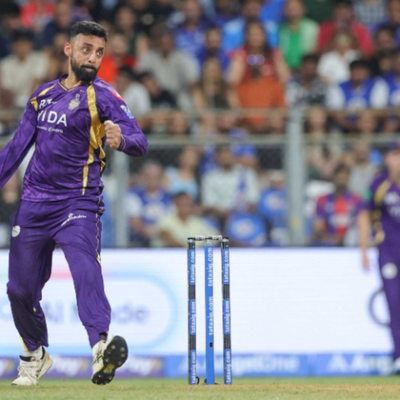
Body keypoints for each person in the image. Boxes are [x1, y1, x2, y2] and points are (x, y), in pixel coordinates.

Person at [0, 21, 148, 386]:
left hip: (77, 203)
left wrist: (122, 138)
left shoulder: (105, 96)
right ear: (68, 49)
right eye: (86, 49)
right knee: (19, 290)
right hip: (34, 203)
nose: (93, 58)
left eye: (99, 52)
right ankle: (35, 355)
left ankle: (100, 348)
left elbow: (139, 140)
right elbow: (16, 148)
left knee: (85, 269)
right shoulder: (42, 96)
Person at [358, 141, 400, 373]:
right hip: (389, 252)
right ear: (387, 159)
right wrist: (364, 249)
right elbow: (363, 214)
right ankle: (398, 356)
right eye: (395, 155)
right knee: (394, 303)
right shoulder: (379, 185)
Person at [313, 164, 362, 246]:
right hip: (329, 245)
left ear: (348, 178)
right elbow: (318, 228)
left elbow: (362, 226)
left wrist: (346, 239)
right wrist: (334, 239)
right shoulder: (323, 201)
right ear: (334, 178)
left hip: (352, 246)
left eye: (344, 178)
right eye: (340, 178)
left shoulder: (357, 201)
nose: (342, 182)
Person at [153, 192, 218, 247]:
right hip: (170, 254)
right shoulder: (166, 219)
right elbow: (164, 235)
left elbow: (215, 237)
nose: (185, 207)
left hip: (195, 254)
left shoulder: (198, 222)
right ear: (176, 204)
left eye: (188, 204)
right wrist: (183, 249)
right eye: (182, 204)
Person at [279, 0, 319, 69]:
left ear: (303, 9)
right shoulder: (281, 30)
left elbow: (314, 50)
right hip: (286, 69)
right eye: (290, 8)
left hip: (306, 68)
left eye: (296, 8)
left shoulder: (312, 28)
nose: (293, 12)